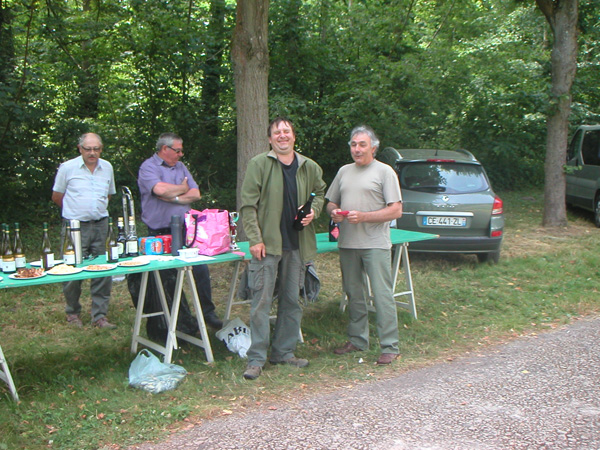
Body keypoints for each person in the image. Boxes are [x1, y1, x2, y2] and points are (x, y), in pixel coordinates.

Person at [240, 117, 327, 380]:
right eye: (277, 132)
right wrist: (255, 238)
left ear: (294, 137)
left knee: (292, 301)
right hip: (268, 245)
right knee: (261, 302)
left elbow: (321, 193)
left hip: (298, 244)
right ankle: (256, 358)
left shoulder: (309, 166)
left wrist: (314, 211)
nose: (282, 135)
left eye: (286, 131)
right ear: (270, 139)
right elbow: (247, 205)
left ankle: (284, 353)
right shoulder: (259, 164)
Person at [326, 125, 403, 365]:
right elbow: (330, 202)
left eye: (362, 145)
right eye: (353, 144)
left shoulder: (385, 172)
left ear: (373, 147)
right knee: (353, 293)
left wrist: (365, 216)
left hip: (375, 243)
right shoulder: (343, 172)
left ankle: (390, 345)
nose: (357, 149)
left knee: (381, 295)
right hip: (348, 243)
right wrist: (335, 213)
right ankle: (358, 340)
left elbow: (396, 210)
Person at [137, 132, 223, 330]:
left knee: (200, 269)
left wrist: (174, 197)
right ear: (164, 149)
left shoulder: (180, 167)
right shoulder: (148, 167)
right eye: (177, 150)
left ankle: (207, 314)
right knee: (168, 278)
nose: (181, 154)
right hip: (159, 232)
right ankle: (179, 322)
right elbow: (159, 191)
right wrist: (180, 188)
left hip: (186, 229)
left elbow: (195, 193)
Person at [52, 132, 117, 329]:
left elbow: (108, 195)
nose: (92, 153)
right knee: (72, 270)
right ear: (80, 149)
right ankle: (72, 313)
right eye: (88, 149)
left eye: (96, 149)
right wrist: (74, 212)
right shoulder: (67, 168)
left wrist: (94, 210)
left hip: (101, 224)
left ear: (101, 149)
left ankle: (99, 316)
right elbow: (57, 196)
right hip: (75, 225)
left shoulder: (107, 167)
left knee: (103, 270)